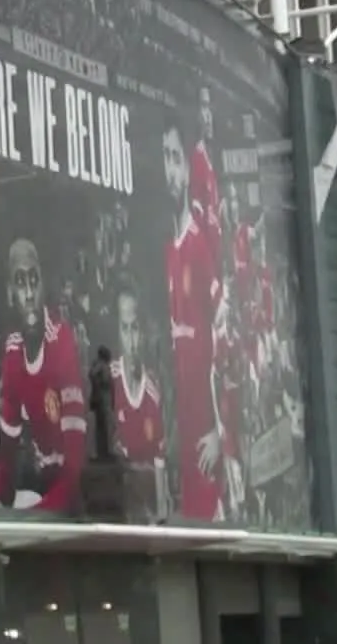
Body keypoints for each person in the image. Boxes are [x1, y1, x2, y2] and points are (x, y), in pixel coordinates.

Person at [0, 238, 87, 511]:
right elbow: (6, 456)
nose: (29, 293)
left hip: (73, 498)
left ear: (43, 284)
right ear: (10, 293)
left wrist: (29, 519)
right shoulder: (12, 351)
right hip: (43, 492)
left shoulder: (61, 341)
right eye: (20, 282)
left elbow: (75, 468)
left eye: (34, 280)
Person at [164, 123, 228, 521]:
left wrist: (222, 433)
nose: (168, 169)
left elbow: (224, 335)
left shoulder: (199, 244)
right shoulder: (169, 248)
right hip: (185, 440)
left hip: (208, 438)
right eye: (164, 158)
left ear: (187, 170)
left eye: (175, 158)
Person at [109, 291, 168, 518]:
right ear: (118, 332)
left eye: (135, 329)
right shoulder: (108, 381)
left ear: (142, 332)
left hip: (146, 510)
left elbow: (159, 460)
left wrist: (160, 519)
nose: (131, 340)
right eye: (125, 329)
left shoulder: (153, 389)